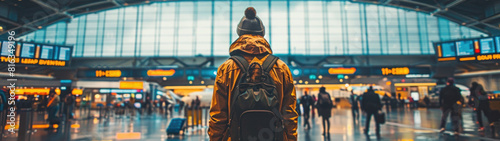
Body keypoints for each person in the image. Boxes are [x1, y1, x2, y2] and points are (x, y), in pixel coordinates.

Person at [208, 7, 297, 141]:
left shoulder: (226, 69)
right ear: (262, 35)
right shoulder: (282, 68)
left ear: (240, 34)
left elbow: (218, 115)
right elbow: (289, 115)